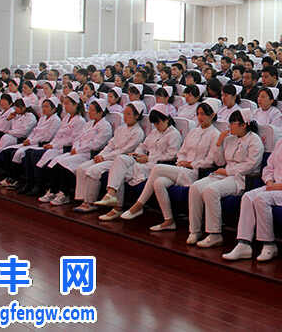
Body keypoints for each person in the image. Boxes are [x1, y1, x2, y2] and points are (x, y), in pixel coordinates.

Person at [222, 104, 282, 262]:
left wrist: (280, 185)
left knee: (261, 199)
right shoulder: (281, 141)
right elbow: (269, 166)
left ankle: (269, 244)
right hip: (273, 186)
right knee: (247, 197)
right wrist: (269, 180)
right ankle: (244, 243)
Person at [125, 99, 221, 231]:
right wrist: (181, 161)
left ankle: (139, 204)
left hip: (195, 172)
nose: (200, 117)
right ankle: (168, 220)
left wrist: (190, 164)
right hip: (181, 168)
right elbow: (182, 151)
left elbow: (210, 160)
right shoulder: (193, 132)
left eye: (204, 114)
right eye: (198, 114)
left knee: (157, 169)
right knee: (158, 182)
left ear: (212, 115)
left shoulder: (215, 135)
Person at [90, 104, 182, 220]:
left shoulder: (174, 134)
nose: (156, 126)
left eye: (158, 123)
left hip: (156, 165)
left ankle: (117, 207)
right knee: (120, 160)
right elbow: (143, 146)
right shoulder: (154, 132)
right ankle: (111, 194)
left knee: (121, 172)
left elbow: (171, 155)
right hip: (143, 161)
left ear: (167, 119)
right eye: (154, 124)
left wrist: (149, 158)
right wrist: (137, 153)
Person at [188, 108, 264, 248]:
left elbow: (250, 165)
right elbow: (219, 162)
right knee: (195, 187)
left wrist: (228, 171)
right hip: (223, 174)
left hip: (240, 178)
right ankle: (195, 230)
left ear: (243, 125)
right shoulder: (230, 139)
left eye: (232, 123)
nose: (229, 127)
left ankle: (215, 234)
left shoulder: (255, 140)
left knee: (211, 191)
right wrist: (219, 142)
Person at [69, 102, 146, 211]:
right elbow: (110, 145)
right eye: (124, 114)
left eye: (128, 114)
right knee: (81, 168)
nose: (125, 117)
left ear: (137, 116)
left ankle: (89, 203)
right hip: (107, 156)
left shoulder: (138, 132)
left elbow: (124, 150)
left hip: (118, 160)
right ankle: (82, 199)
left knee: (93, 171)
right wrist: (101, 155)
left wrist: (104, 158)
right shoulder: (121, 128)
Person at [38, 99, 113, 205]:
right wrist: (76, 147)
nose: (89, 112)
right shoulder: (89, 123)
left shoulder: (105, 126)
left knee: (64, 165)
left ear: (100, 112)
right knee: (55, 162)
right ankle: (53, 191)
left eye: (92, 110)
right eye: (89, 109)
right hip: (77, 151)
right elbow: (78, 138)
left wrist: (78, 149)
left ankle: (64, 194)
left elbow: (96, 144)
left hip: (87, 154)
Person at [17, 93, 87, 195]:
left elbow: (72, 139)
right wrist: (52, 143)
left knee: (35, 154)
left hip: (63, 148)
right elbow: (58, 134)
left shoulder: (80, 121)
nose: (65, 106)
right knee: (28, 153)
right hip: (55, 145)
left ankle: (39, 186)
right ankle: (30, 183)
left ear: (75, 105)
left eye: (67, 104)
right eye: (64, 104)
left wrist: (53, 145)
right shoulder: (66, 117)